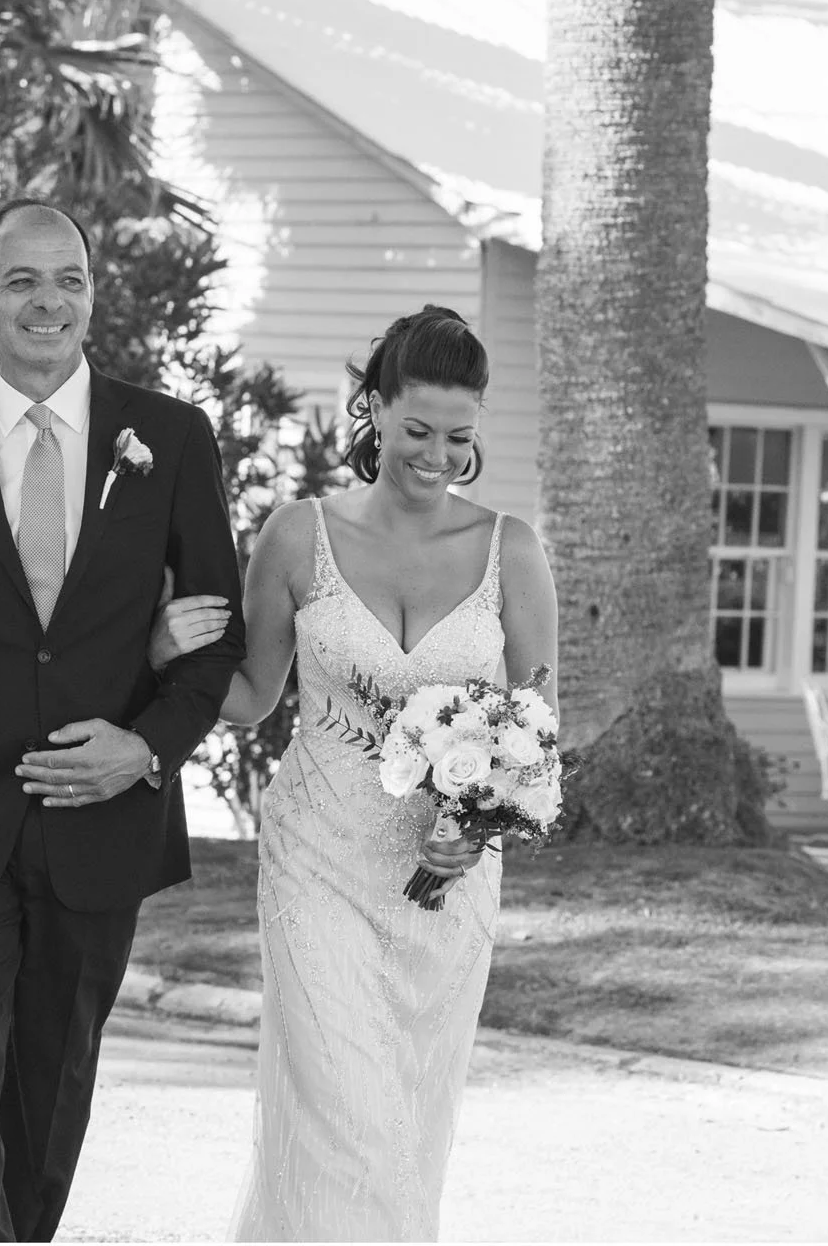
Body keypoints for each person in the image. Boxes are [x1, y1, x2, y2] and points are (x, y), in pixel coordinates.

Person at [0, 199, 246, 1242]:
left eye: (69, 279)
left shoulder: (168, 439)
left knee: (46, 1101)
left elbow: (217, 646)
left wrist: (143, 750)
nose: (47, 302)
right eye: (21, 280)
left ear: (92, 296)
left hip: (99, 828)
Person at [151, 306, 558, 1242]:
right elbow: (251, 696)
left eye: (458, 436)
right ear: (373, 408)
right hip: (318, 858)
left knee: (412, 1118)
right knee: (344, 1108)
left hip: (447, 882)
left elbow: (536, 729)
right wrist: (159, 656)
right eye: (417, 430)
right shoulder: (298, 537)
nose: (437, 456)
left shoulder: (513, 552)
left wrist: (480, 826)